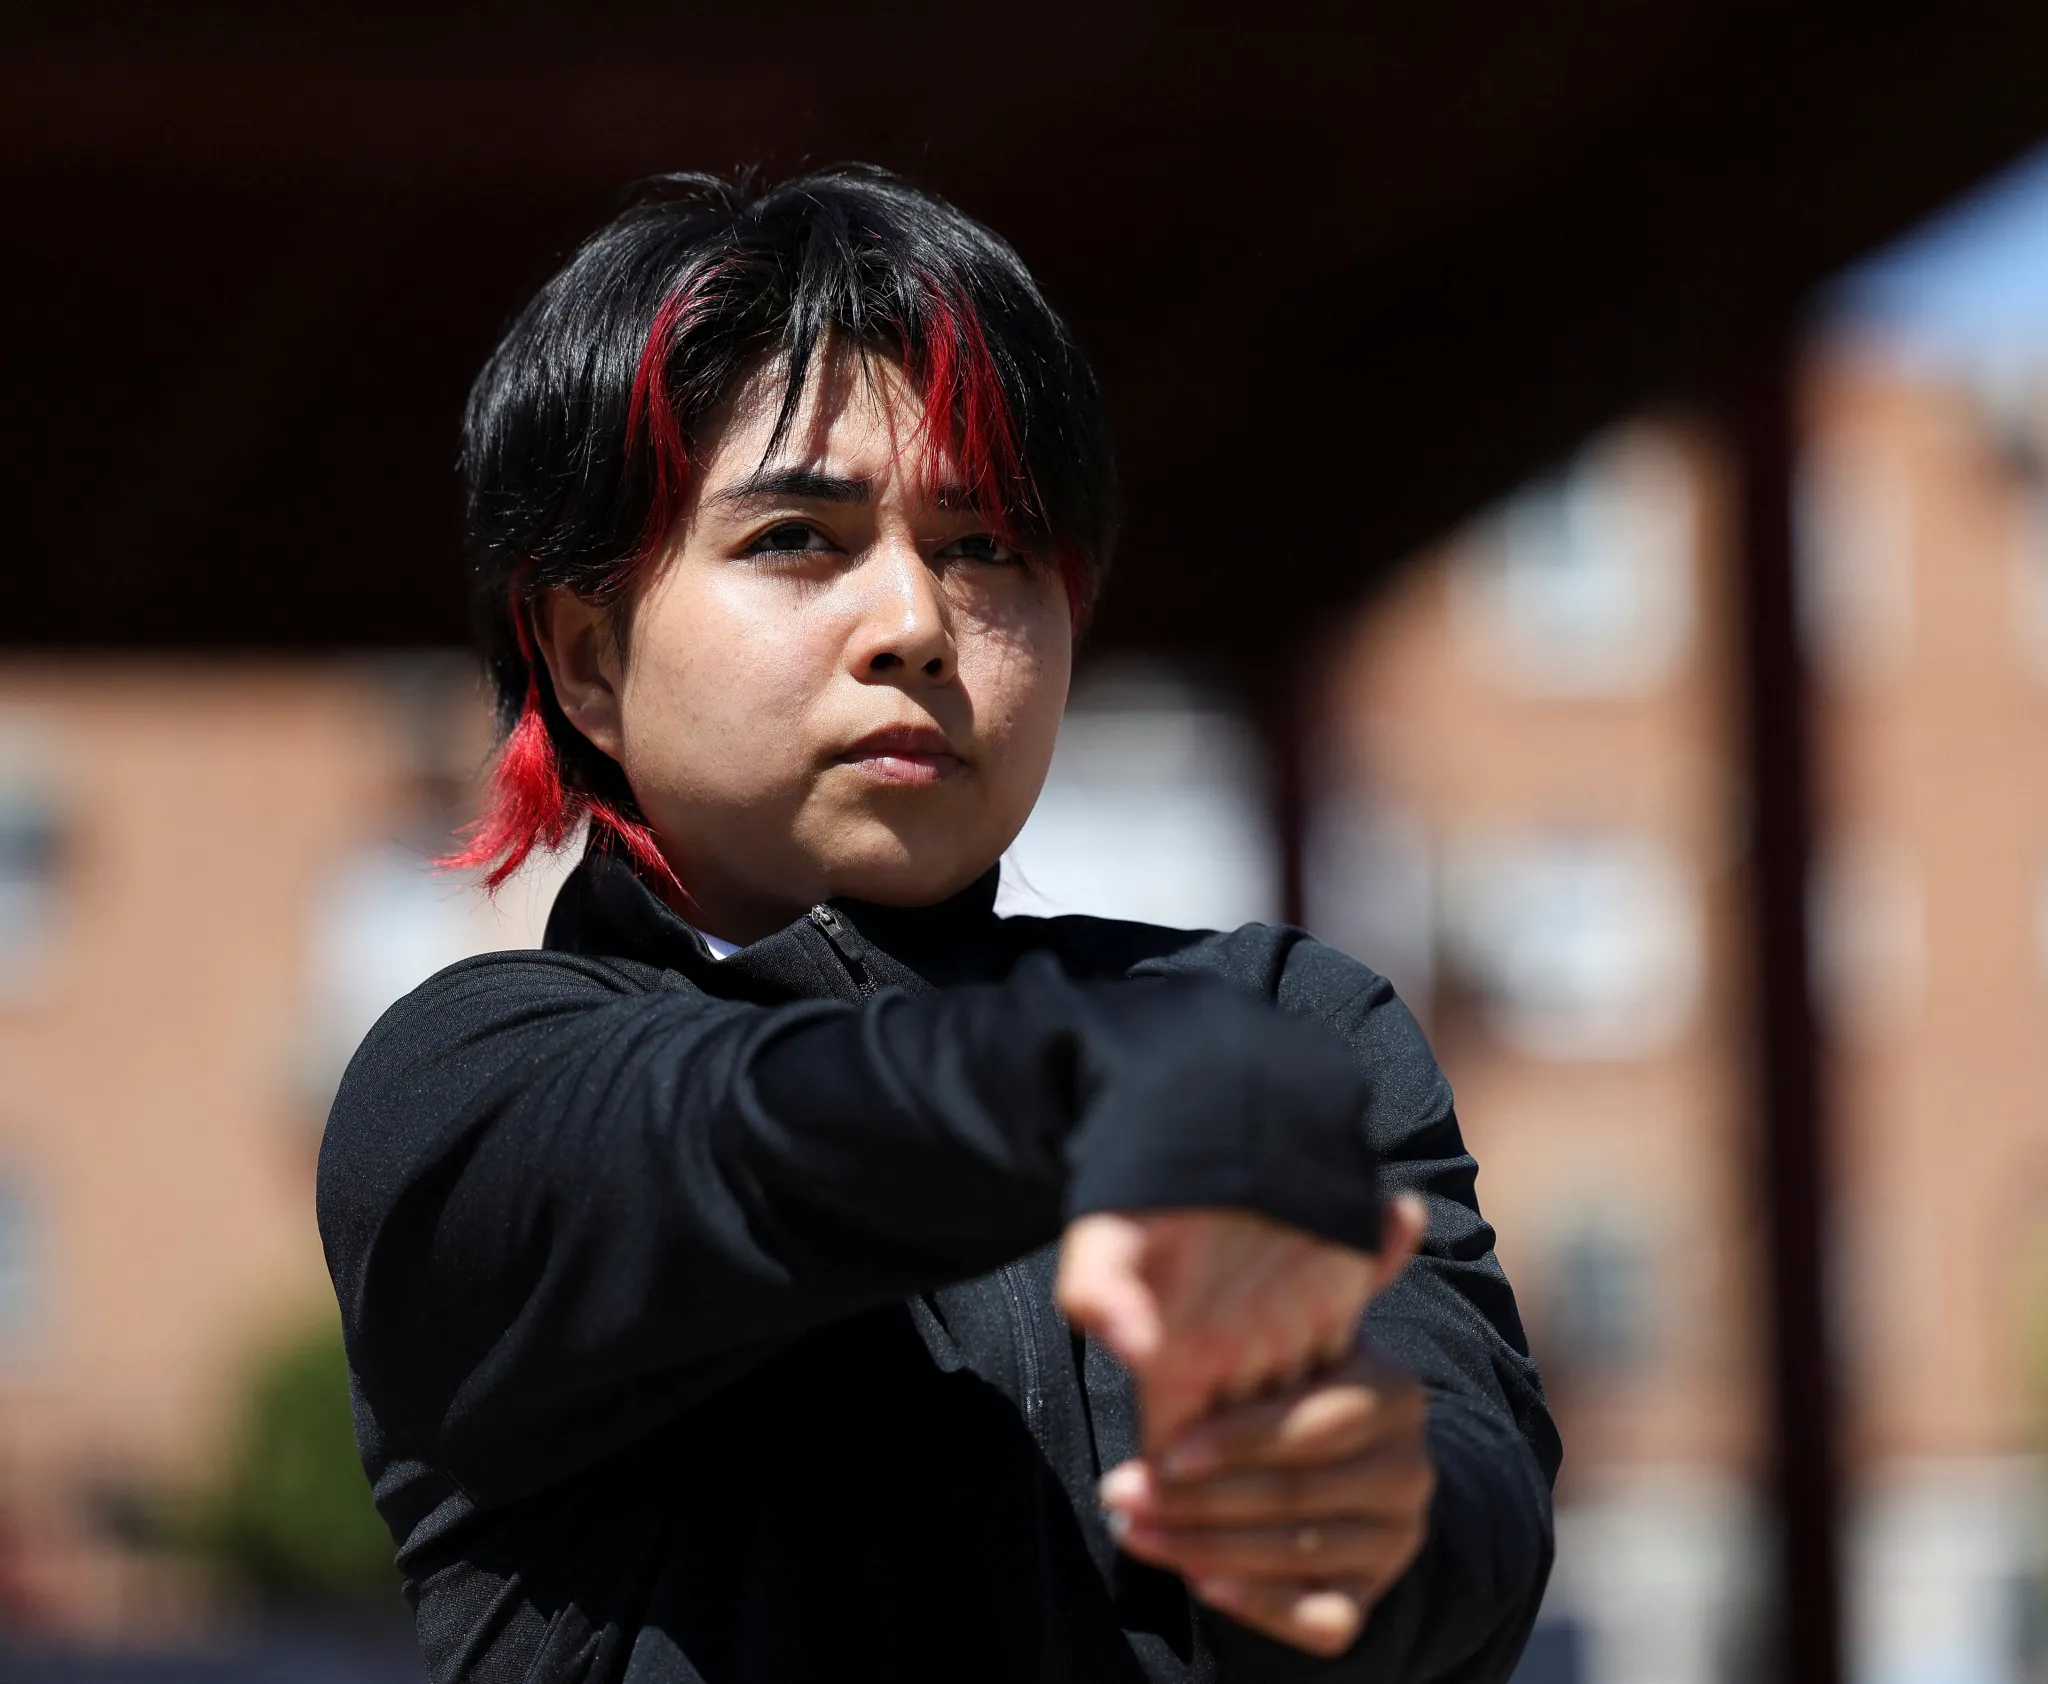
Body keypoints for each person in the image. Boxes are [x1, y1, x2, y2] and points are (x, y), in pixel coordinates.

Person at [318, 167, 1559, 1684]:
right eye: (797, 538)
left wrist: (1374, 1501)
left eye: (987, 547)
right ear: (584, 658)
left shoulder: (1296, 1025)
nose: (915, 619)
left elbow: (1473, 1499)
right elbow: (719, 1139)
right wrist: (1086, 1088)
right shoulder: (473, 1082)